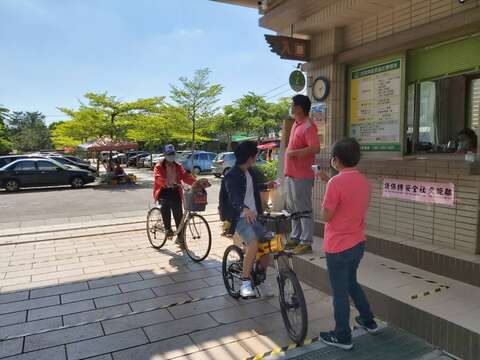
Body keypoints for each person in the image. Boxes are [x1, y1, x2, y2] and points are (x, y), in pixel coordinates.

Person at [318, 138, 377, 350]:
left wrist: (326, 193)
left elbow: (327, 216)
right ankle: (368, 320)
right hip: (357, 242)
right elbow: (350, 202)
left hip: (338, 246)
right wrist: (329, 182)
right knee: (352, 283)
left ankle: (342, 335)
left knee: (340, 292)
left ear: (336, 159)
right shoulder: (364, 181)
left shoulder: (336, 183)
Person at [224, 141, 276, 298]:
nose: (256, 157)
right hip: (240, 218)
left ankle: (261, 278)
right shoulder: (231, 176)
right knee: (253, 243)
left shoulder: (250, 172)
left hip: (254, 217)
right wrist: (244, 209)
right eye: (255, 155)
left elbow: (253, 189)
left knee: (268, 243)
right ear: (249, 157)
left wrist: (267, 185)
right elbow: (234, 197)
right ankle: (245, 282)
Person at [285, 94, 321, 255]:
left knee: (303, 207)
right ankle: (295, 236)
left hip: (302, 175)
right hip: (291, 173)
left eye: (292, 104)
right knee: (293, 207)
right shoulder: (296, 124)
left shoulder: (308, 126)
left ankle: (306, 241)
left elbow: (315, 148)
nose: (291, 107)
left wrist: (295, 153)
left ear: (299, 107)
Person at [153, 145, 203, 245]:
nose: (171, 156)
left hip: (175, 191)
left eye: (172, 154)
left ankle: (180, 238)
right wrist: (165, 182)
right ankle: (167, 229)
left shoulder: (178, 166)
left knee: (179, 214)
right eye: (169, 154)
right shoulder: (159, 166)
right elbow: (157, 177)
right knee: (165, 206)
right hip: (163, 191)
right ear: (165, 155)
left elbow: (185, 176)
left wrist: (196, 183)